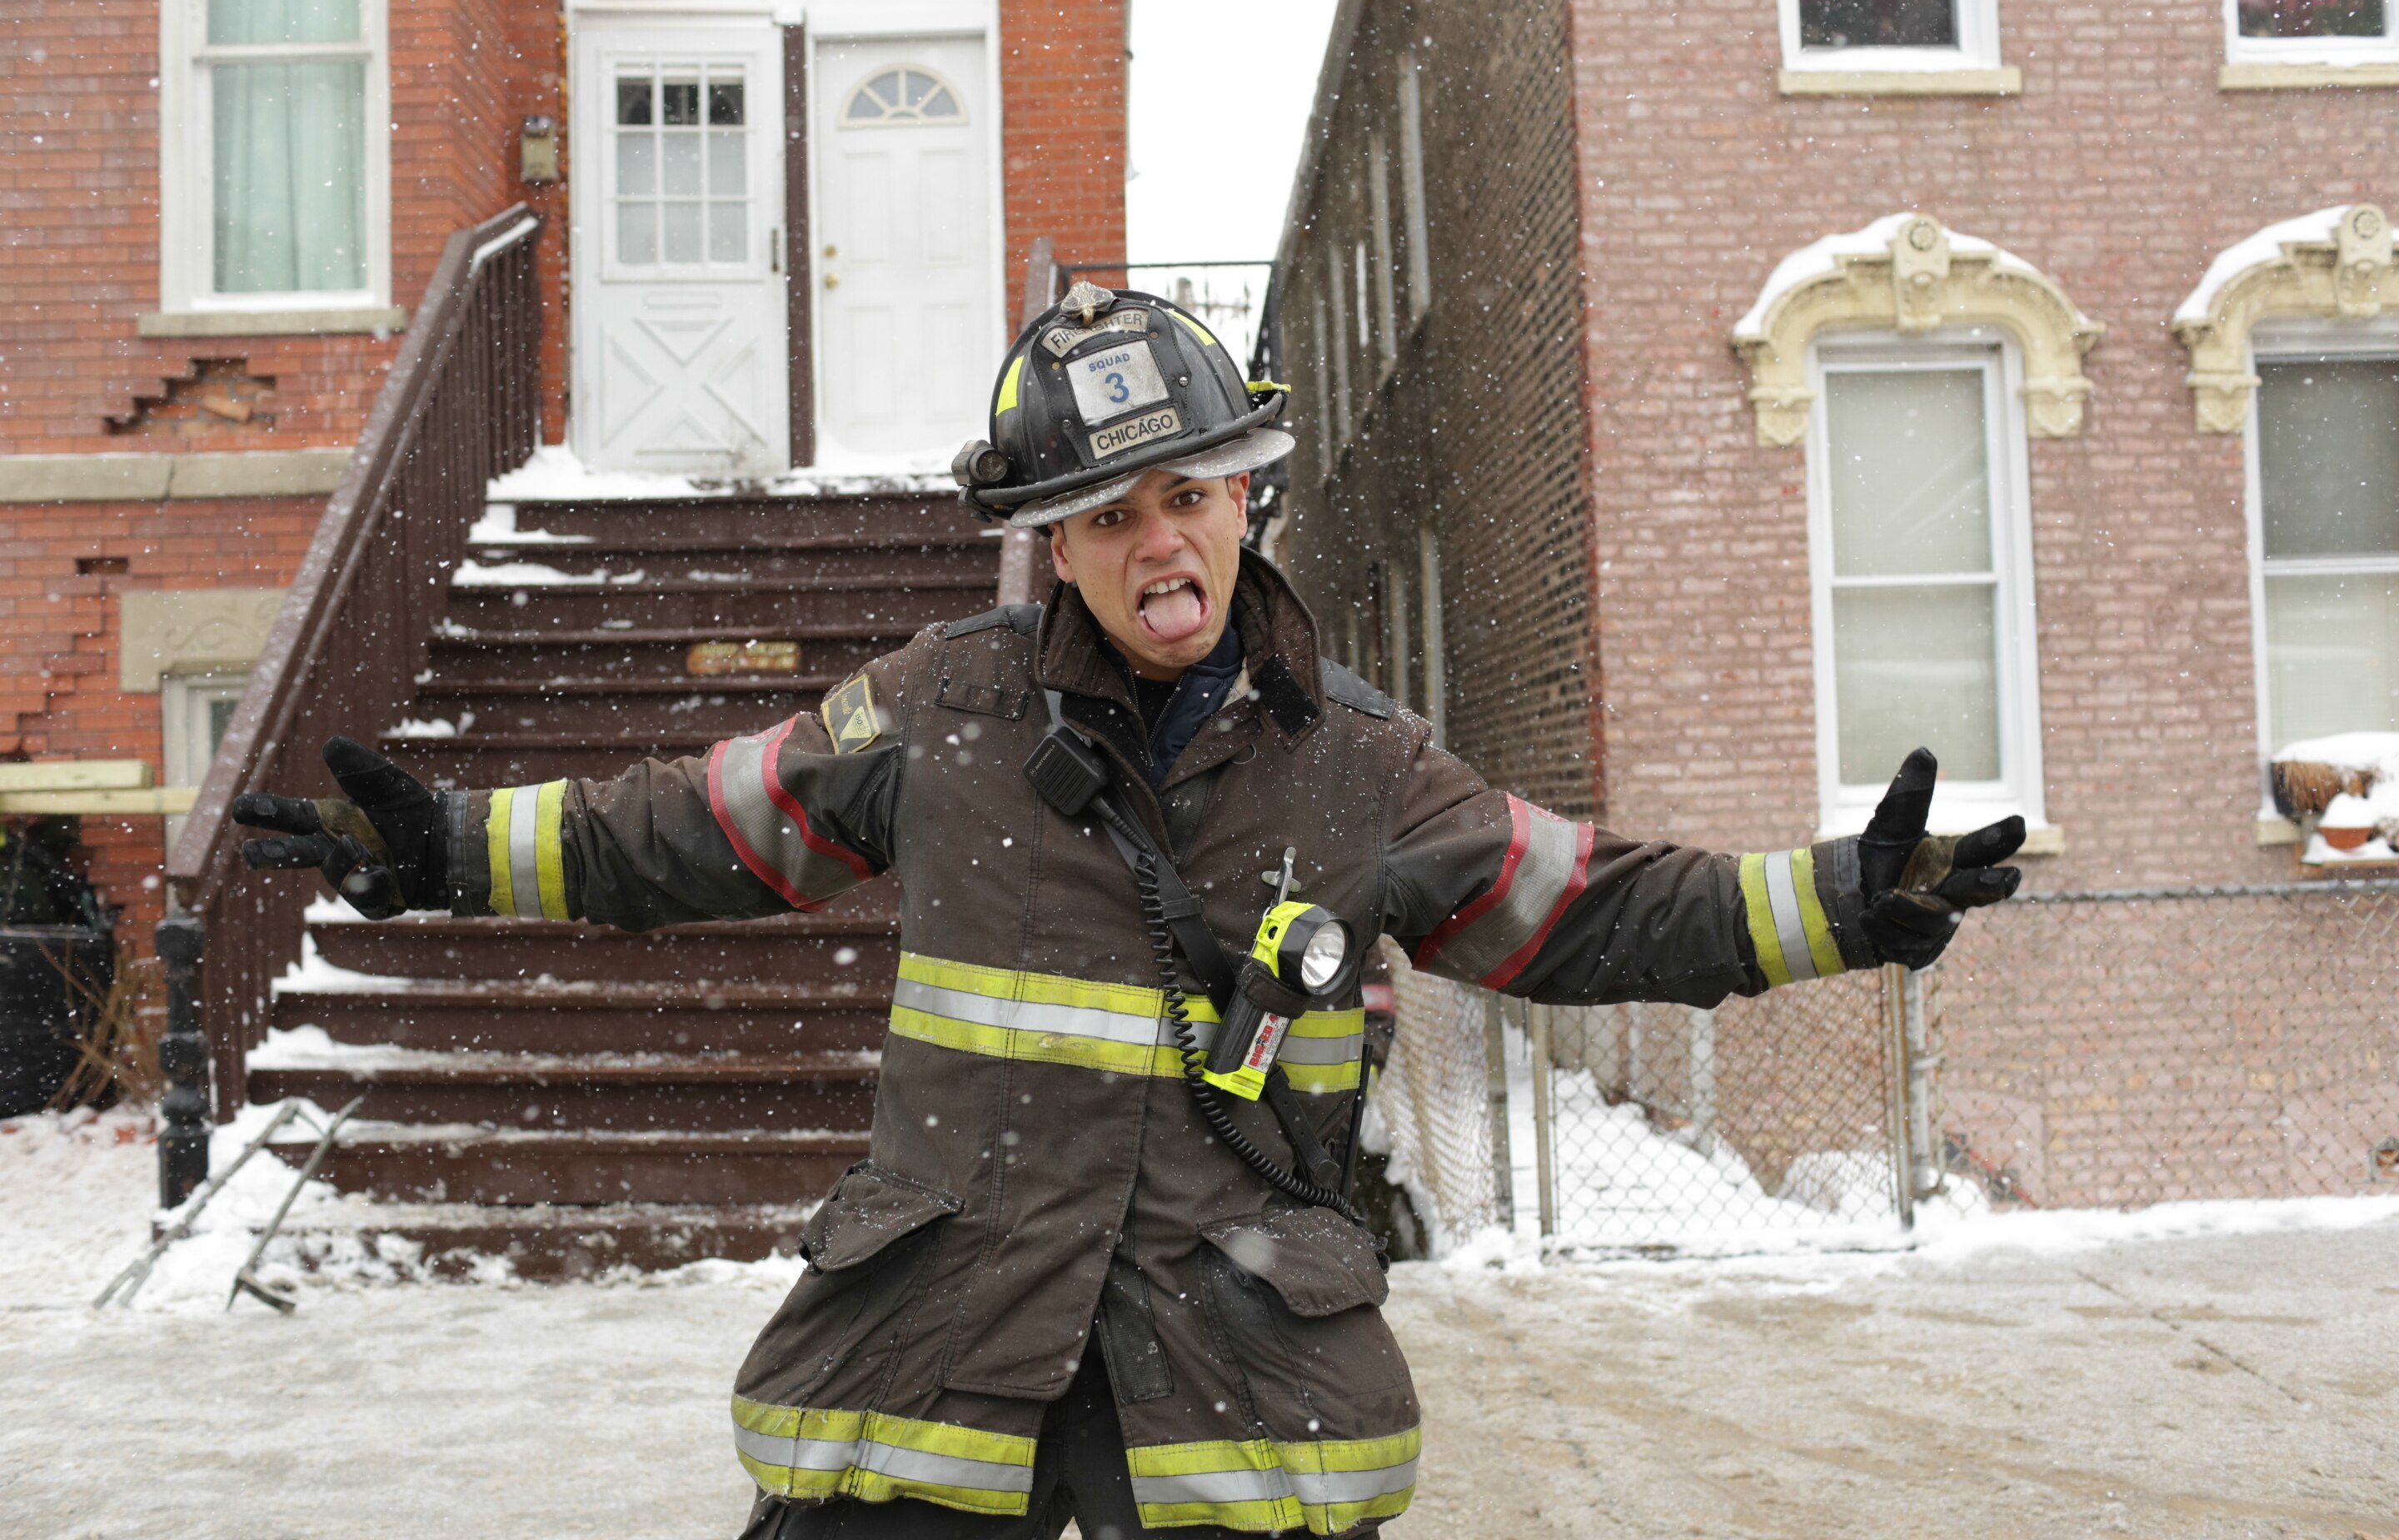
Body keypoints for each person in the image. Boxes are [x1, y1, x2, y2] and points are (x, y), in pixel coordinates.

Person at [232, 284, 2022, 1539]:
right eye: (1109, 516)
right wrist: (452, 849)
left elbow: (1585, 915)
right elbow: (701, 828)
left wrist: (1841, 903)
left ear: (1248, 497)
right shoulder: (944, 708)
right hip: (942, 1349)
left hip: (1232, 1381)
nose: (1159, 544)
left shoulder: (1369, 772)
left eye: (1189, 495)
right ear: (1056, 546)